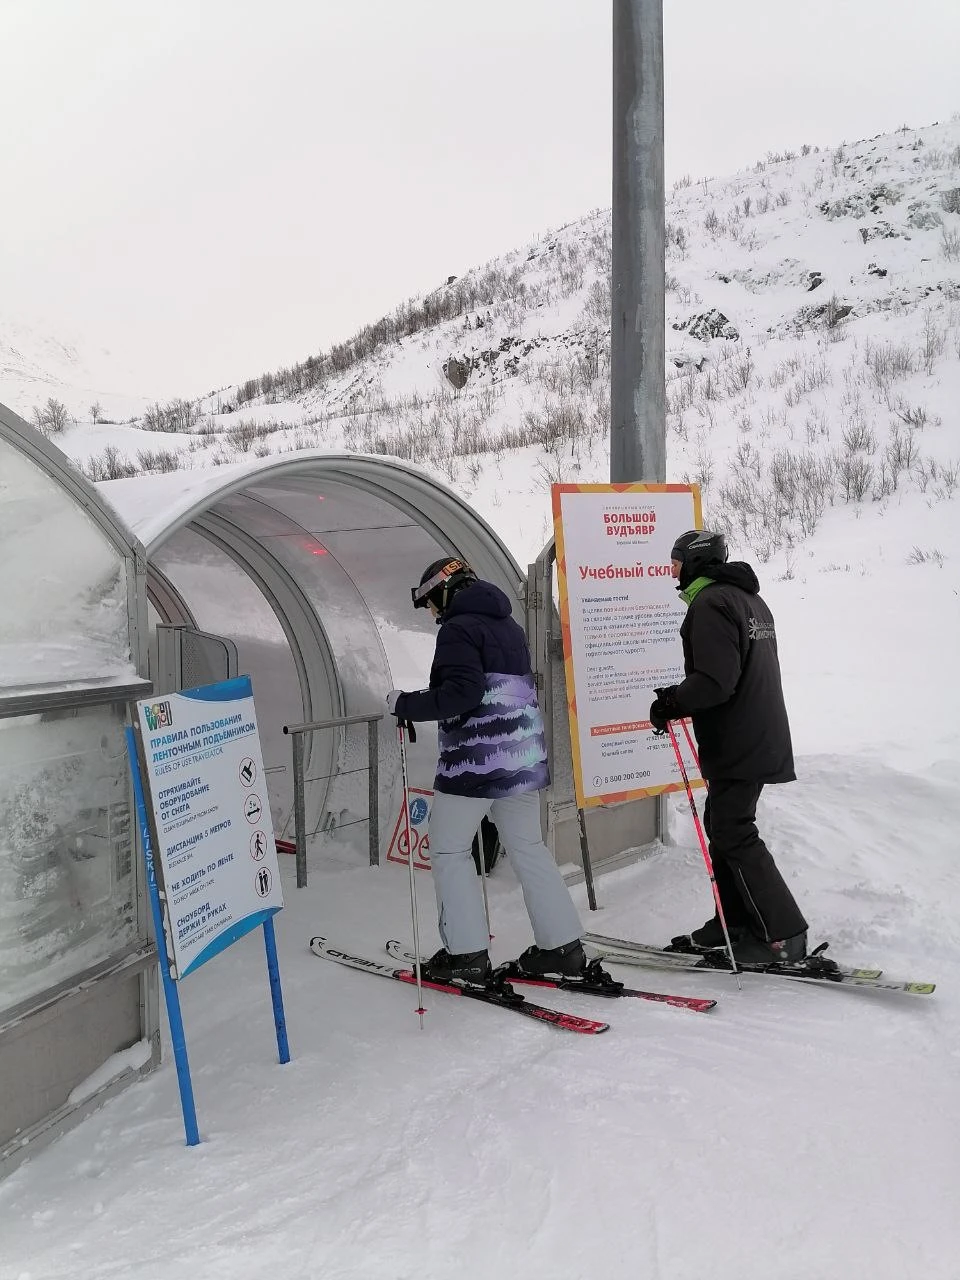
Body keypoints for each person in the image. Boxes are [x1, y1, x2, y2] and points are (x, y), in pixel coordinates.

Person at [386, 556, 587, 985]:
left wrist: (404, 703)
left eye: (429, 604)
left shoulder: (459, 628)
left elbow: (462, 693)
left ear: (444, 590)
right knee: (529, 848)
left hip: (476, 762)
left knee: (449, 851)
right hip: (521, 757)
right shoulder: (508, 626)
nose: (432, 614)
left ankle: (467, 955)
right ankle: (564, 948)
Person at [648, 529, 809, 965]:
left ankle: (782, 933)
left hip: (741, 737)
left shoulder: (712, 603)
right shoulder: (747, 600)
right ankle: (734, 921)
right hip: (754, 731)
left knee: (734, 829)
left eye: (677, 562)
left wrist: (672, 702)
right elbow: (728, 672)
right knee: (723, 825)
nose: (672, 571)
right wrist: (680, 695)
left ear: (696, 562)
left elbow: (717, 681)